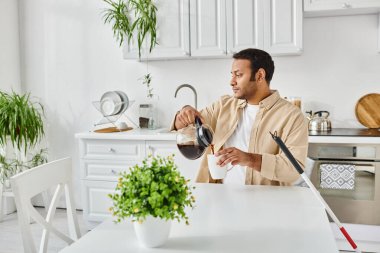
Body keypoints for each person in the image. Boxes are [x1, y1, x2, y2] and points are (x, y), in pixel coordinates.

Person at [171, 48, 308, 186]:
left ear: (260, 75)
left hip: (265, 202)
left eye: (238, 75)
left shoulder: (291, 116)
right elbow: (186, 126)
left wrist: (250, 159)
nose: (232, 81)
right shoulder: (223, 106)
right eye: (232, 75)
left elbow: (293, 170)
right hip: (220, 197)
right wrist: (184, 112)